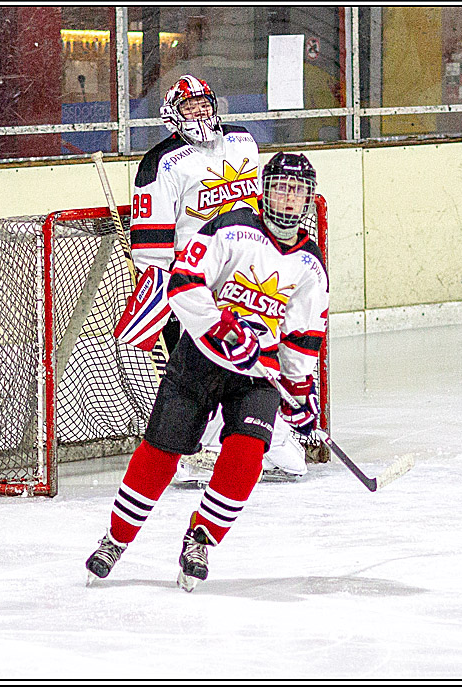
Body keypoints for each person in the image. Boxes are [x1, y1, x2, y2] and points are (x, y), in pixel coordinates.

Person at [87, 152, 328, 592]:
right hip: (199, 357)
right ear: (266, 189)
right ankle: (116, 539)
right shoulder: (231, 227)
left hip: (257, 374)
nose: (289, 199)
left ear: (308, 199)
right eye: (281, 187)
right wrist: (220, 325)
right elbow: (183, 282)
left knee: (247, 454)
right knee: (161, 452)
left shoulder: (311, 266)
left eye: (298, 191)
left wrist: (300, 393)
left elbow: (302, 335)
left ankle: (200, 540)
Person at [116, 74, 309, 482]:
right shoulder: (160, 162)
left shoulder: (242, 141)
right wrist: (165, 293)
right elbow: (151, 246)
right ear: (173, 115)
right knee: (203, 371)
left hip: (250, 275)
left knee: (258, 357)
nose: (201, 112)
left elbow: (262, 208)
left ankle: (261, 438)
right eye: (190, 107)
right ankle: (193, 449)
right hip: (198, 280)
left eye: (205, 104)